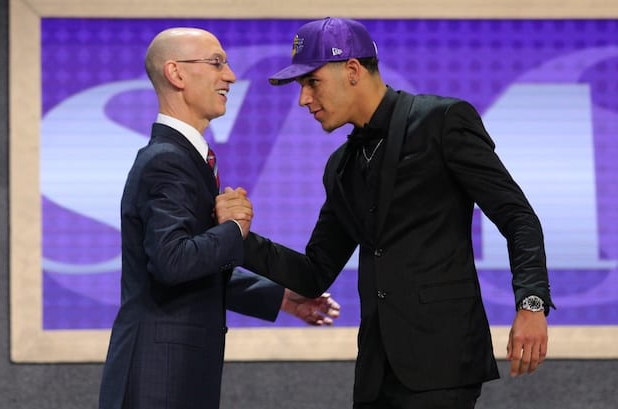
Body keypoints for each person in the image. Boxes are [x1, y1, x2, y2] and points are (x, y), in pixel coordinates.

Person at [239, 17, 555, 408]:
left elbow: (517, 217)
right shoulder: (339, 167)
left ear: (352, 70)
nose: (304, 99)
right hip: (375, 374)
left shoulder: (442, 122)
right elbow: (313, 273)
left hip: (443, 365)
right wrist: (238, 239)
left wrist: (531, 304)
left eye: (312, 82)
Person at [98, 27, 340, 409]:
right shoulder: (167, 160)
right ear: (176, 74)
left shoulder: (184, 158)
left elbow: (186, 273)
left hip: (173, 372)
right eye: (216, 63)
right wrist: (234, 229)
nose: (229, 75)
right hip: (159, 378)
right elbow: (171, 262)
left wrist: (280, 298)